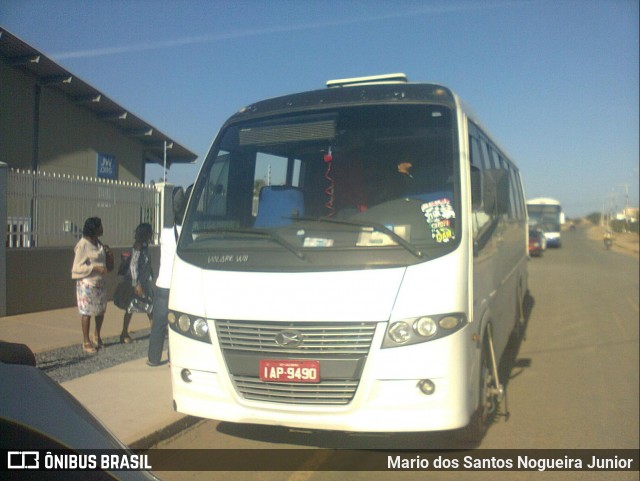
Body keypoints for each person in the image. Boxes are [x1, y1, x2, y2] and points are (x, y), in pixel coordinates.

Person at [147, 186, 188, 366]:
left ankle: (153, 358)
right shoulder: (189, 232)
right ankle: (174, 358)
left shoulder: (165, 232)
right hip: (179, 286)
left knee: (158, 324)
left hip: (163, 283)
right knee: (176, 325)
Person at [72, 217, 111, 354]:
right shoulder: (83, 245)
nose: (102, 228)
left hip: (99, 283)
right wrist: (94, 268)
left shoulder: (98, 243)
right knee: (87, 312)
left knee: (100, 311)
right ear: (94, 228)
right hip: (87, 285)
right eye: (100, 226)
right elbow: (76, 267)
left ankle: (97, 336)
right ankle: (86, 341)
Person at [120, 223, 154, 343]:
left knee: (150, 307)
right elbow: (133, 265)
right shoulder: (138, 246)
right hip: (137, 283)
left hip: (145, 282)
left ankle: (154, 331)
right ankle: (124, 333)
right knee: (131, 307)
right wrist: (136, 284)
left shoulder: (145, 246)